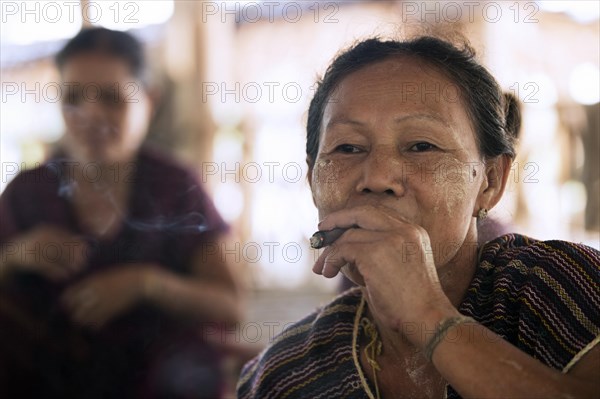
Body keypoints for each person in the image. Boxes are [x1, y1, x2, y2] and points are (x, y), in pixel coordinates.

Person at [237, 35, 600, 398]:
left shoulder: (565, 289)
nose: (377, 178)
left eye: (421, 146)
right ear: (312, 179)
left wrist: (427, 314)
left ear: (490, 181)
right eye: (347, 148)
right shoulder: (285, 374)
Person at [0, 28, 242, 398]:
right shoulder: (29, 192)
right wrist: (17, 256)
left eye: (113, 99)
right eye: (73, 98)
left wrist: (146, 284)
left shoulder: (176, 187)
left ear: (150, 100)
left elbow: (230, 307)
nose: (91, 115)